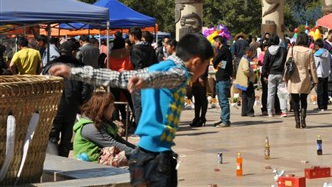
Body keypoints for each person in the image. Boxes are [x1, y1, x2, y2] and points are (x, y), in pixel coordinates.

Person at [49, 32, 214, 187]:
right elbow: (166, 78)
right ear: (196, 62)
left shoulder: (158, 67)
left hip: (141, 156)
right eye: (206, 65)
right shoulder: (179, 74)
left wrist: (74, 72)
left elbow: (117, 76)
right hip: (157, 160)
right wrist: (148, 80)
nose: (204, 70)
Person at [43, 39, 92, 157]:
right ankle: (63, 161)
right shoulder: (80, 66)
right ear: (73, 52)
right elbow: (86, 90)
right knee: (66, 138)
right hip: (71, 106)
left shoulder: (50, 66)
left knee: (52, 137)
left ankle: (54, 162)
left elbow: (43, 85)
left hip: (53, 106)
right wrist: (81, 103)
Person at [73, 90, 136, 163]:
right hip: (89, 164)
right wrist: (139, 154)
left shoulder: (104, 123)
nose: (114, 109)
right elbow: (114, 144)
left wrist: (140, 150)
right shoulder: (90, 127)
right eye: (112, 106)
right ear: (103, 108)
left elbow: (121, 141)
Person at [285, 32, 318, 128]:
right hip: (305, 76)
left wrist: (285, 77)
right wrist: (315, 79)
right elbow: (312, 67)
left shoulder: (292, 49)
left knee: (295, 99)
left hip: (294, 76)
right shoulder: (309, 51)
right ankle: (303, 120)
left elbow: (287, 64)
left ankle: (297, 121)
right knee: (304, 99)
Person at [129, 28, 158, 126]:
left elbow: (138, 65)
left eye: (129, 35)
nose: (129, 38)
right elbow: (155, 63)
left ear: (133, 36)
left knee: (138, 105)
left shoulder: (135, 48)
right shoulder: (150, 47)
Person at [263, 34, 288, 117]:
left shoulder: (268, 51)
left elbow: (265, 64)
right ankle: (284, 111)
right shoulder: (283, 50)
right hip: (281, 73)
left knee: (270, 93)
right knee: (282, 92)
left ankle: (270, 111)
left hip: (271, 74)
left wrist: (265, 75)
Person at [212, 35, 233, 127]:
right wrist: (217, 64)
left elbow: (215, 60)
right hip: (220, 77)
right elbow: (222, 64)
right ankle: (223, 118)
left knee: (223, 100)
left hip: (223, 79)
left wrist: (216, 63)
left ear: (219, 42)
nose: (214, 44)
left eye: (214, 42)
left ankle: (226, 120)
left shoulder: (224, 50)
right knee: (221, 100)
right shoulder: (224, 51)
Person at [313, 38, 332, 112]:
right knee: (325, 90)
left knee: (320, 90)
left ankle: (320, 106)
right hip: (326, 73)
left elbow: (315, 64)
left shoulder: (316, 54)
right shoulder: (327, 52)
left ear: (317, 46)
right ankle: (325, 105)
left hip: (319, 74)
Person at [234, 46, 257, 117]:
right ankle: (249, 111)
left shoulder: (243, 59)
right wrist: (251, 74)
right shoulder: (245, 60)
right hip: (247, 81)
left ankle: (244, 111)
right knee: (251, 96)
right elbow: (246, 70)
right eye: (252, 52)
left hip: (244, 81)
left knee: (245, 96)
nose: (252, 54)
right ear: (248, 52)